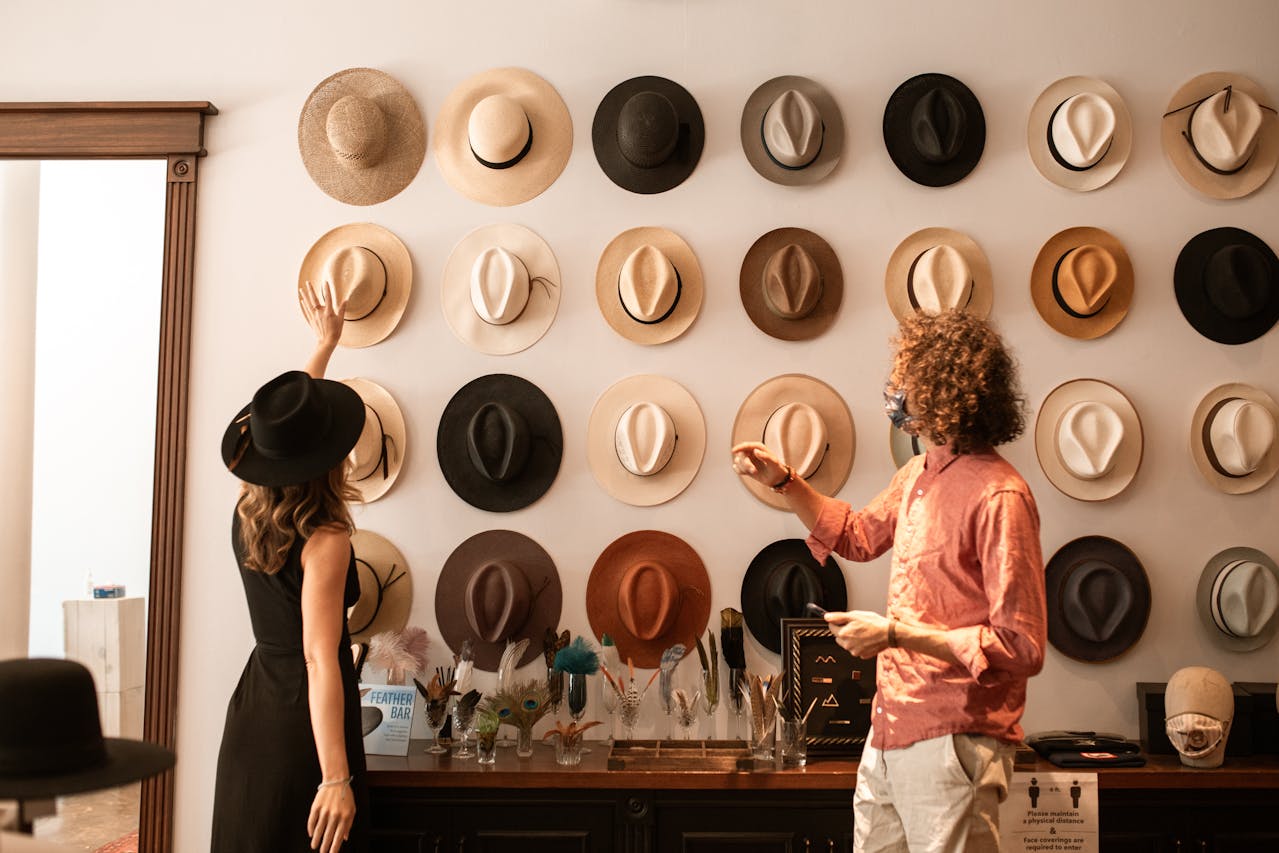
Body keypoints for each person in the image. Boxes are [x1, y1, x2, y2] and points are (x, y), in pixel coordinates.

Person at [732, 309, 1046, 853]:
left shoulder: (1000, 494)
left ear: (950, 390)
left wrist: (896, 635)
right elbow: (854, 535)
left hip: (955, 739)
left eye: (912, 380)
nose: (899, 393)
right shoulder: (917, 476)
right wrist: (784, 481)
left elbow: (1021, 646)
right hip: (887, 732)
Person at [211, 280, 369, 853]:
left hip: (254, 707)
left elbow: (288, 436)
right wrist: (335, 778)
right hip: (303, 726)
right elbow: (319, 660)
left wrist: (323, 346)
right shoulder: (326, 541)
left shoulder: (247, 510)